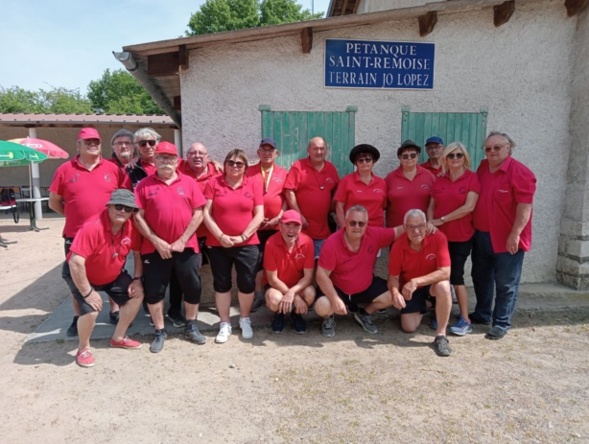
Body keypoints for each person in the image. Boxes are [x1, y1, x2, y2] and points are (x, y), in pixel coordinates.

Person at [49, 127, 125, 337]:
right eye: (88, 141)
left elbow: (122, 197)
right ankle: (79, 316)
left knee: (110, 271)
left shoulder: (113, 169)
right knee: (77, 276)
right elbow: (54, 202)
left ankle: (114, 310)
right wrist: (74, 216)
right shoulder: (65, 170)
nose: (93, 145)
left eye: (96, 141)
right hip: (76, 234)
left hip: (108, 234)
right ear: (78, 145)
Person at [134, 141, 207, 353]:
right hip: (154, 249)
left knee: (192, 287)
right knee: (154, 291)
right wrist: (157, 241)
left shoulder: (190, 183)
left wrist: (182, 240)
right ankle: (159, 331)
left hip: (187, 247)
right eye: (161, 157)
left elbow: (199, 213)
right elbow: (138, 216)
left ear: (177, 161)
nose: (166, 161)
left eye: (170, 157)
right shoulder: (144, 185)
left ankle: (191, 325)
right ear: (154, 160)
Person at [63, 189, 144, 367]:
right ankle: (83, 348)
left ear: (133, 212)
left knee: (137, 295)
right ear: (109, 206)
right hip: (81, 273)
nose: (122, 210)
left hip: (111, 273)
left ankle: (119, 337)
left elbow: (137, 255)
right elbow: (76, 263)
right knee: (92, 308)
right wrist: (87, 291)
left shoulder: (132, 228)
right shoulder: (93, 226)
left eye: (128, 208)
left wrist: (137, 279)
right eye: (118, 206)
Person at [470, 131, 536, 340]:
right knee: (480, 277)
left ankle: (501, 322)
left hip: (507, 239)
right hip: (481, 235)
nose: (492, 152)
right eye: (488, 148)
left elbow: (525, 208)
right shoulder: (482, 168)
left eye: (497, 147)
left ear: (509, 148)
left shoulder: (520, 173)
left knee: (506, 283)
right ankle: (482, 313)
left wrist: (515, 234)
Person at [203, 149, 264, 343]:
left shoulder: (253, 184)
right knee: (222, 284)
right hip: (218, 243)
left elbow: (259, 214)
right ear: (225, 164)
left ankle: (245, 319)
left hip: (247, 244)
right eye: (231, 162)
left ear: (245, 167)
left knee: (247, 283)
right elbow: (205, 213)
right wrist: (220, 236)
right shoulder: (213, 183)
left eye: (239, 163)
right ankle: (225, 323)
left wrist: (244, 235)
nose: (235, 166)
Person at [315, 205, 404, 337]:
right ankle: (328, 318)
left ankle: (364, 313)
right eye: (352, 222)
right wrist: (334, 299)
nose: (357, 227)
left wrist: (424, 225)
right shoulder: (331, 243)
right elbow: (321, 275)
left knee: (393, 294)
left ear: (366, 224)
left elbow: (397, 231)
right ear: (345, 223)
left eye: (361, 223)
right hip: (338, 288)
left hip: (365, 287)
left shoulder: (374, 234)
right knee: (322, 305)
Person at [428, 142, 480, 336]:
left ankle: (465, 318)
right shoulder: (439, 179)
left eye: (459, 155)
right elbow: (431, 204)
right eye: (451, 156)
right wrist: (430, 221)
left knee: (456, 276)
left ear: (465, 157)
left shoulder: (471, 179)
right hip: (439, 236)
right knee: (440, 276)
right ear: (445, 159)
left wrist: (442, 220)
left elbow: (469, 207)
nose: (455, 159)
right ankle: (442, 315)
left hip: (461, 236)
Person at [388, 209, 453, 357]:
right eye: (410, 227)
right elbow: (393, 277)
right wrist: (395, 292)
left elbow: (445, 272)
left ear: (426, 226)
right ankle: (429, 305)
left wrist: (416, 281)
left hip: (430, 285)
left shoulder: (439, 238)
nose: (416, 231)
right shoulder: (398, 245)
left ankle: (441, 336)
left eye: (420, 226)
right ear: (404, 227)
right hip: (411, 290)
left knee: (444, 286)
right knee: (408, 327)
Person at [246, 137, 288, 309]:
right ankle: (258, 294)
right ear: (258, 152)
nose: (267, 153)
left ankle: (278, 293)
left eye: (270, 150)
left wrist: (279, 216)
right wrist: (255, 216)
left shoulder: (283, 173)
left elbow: (286, 198)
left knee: (276, 260)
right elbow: (244, 195)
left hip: (277, 225)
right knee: (255, 260)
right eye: (264, 149)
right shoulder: (248, 171)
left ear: (276, 154)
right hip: (255, 225)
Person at [285, 136, 340, 258]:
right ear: (308, 150)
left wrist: (331, 206)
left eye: (322, 149)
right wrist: (299, 215)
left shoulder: (330, 168)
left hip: (323, 231)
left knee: (320, 265)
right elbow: (289, 191)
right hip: (301, 230)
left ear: (326, 151)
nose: (319, 152)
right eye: (315, 149)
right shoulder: (298, 166)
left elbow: (338, 189)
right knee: (301, 264)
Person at [264, 210, 316, 334]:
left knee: (310, 293)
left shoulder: (308, 242)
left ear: (301, 228)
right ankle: (279, 314)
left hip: (298, 286)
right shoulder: (270, 243)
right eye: (288, 225)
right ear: (280, 226)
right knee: (273, 299)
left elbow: (308, 277)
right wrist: (292, 294)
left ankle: (296, 314)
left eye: (296, 226)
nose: (291, 230)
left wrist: (293, 293)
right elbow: (272, 279)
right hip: (277, 286)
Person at [385, 140, 435, 228]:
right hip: (397, 231)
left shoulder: (429, 176)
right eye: (405, 156)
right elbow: (382, 206)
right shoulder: (390, 178)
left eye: (413, 155)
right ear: (400, 158)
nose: (409, 158)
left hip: (422, 230)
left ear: (418, 156)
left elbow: (436, 202)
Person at [334, 144, 386, 228]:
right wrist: (344, 228)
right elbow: (339, 207)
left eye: (368, 160)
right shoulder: (346, 181)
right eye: (360, 160)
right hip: (354, 229)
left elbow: (383, 206)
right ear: (356, 163)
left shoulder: (381, 183)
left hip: (376, 229)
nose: (364, 163)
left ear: (373, 162)